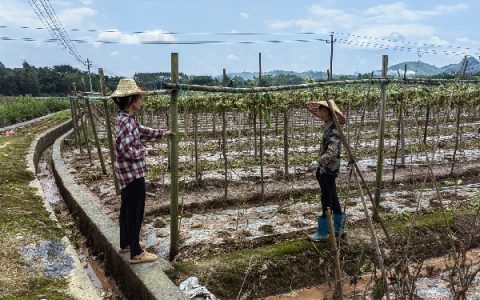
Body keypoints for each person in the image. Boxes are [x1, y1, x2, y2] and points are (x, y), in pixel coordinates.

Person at [110, 78, 173, 264]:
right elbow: (126, 150)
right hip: (132, 173)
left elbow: (142, 131)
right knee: (136, 211)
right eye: (139, 97)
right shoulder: (127, 122)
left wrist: (163, 133)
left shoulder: (125, 119)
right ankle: (136, 252)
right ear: (131, 99)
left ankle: (126, 243)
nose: (141, 101)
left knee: (126, 208)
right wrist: (145, 151)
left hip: (125, 173)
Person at [305, 100, 346, 241]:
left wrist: (318, 162)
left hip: (329, 170)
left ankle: (323, 232)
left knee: (326, 200)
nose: (320, 113)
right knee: (333, 197)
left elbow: (332, 152)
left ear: (329, 112)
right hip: (324, 169)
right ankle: (339, 228)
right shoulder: (327, 126)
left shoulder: (334, 129)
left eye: (322, 110)